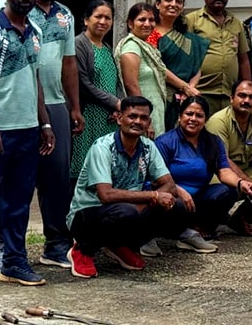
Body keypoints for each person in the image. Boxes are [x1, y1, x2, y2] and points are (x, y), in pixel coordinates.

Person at [0, 0, 82, 273]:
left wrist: (74, 106)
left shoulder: (65, 15)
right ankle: (1, 247)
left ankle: (56, 245)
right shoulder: (7, 10)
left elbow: (69, 63)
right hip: (16, 106)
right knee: (11, 180)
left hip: (54, 104)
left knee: (56, 179)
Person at [0, 0, 54, 291]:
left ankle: (14, 263)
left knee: (18, 202)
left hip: (27, 130)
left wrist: (44, 123)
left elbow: (35, 79)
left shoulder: (35, 30)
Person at [66, 96, 183, 279]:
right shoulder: (103, 147)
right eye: (132, 116)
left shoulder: (148, 147)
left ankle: (119, 245)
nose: (138, 121)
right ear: (119, 118)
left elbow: (169, 184)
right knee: (127, 212)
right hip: (87, 216)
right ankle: (82, 250)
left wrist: (154, 199)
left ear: (149, 122)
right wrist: (152, 196)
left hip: (126, 210)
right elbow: (105, 195)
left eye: (143, 118)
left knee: (177, 206)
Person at [154, 95, 242, 253]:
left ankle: (199, 228)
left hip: (198, 200)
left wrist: (243, 183)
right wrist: (177, 190)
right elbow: (155, 178)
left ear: (205, 120)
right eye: (189, 114)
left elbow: (224, 171)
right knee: (175, 202)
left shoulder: (213, 141)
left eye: (199, 116)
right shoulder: (164, 142)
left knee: (228, 191)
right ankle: (179, 232)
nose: (193, 119)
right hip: (174, 198)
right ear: (180, 116)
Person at [206, 80, 252, 236]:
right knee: (223, 191)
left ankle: (240, 219)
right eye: (242, 95)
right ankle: (205, 223)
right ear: (231, 98)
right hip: (218, 173)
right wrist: (250, 183)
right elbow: (223, 160)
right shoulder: (218, 121)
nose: (247, 100)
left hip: (243, 172)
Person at [116, 3, 194, 138]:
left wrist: (186, 87)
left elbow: (162, 71)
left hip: (153, 111)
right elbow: (131, 85)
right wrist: (144, 118)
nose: (147, 24)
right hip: (142, 116)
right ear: (130, 23)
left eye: (151, 20)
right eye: (142, 19)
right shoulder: (131, 46)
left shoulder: (147, 47)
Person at [185, 0, 252, 116]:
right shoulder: (191, 20)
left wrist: (248, 91)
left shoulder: (236, 22)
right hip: (201, 92)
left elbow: (243, 59)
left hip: (229, 94)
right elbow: (184, 58)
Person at [72, 0, 124, 179]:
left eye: (108, 18)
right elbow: (83, 83)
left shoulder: (107, 48)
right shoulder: (79, 44)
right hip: (88, 115)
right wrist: (115, 103)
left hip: (109, 118)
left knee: (105, 167)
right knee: (85, 167)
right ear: (86, 20)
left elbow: (116, 82)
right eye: (98, 16)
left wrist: (117, 108)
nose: (103, 21)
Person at [149, 0, 208, 129]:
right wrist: (185, 87)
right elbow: (157, 66)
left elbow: (196, 67)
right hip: (157, 96)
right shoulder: (149, 33)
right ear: (158, 4)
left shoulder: (187, 37)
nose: (173, 4)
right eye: (169, 0)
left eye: (178, 1)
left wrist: (189, 91)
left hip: (183, 100)